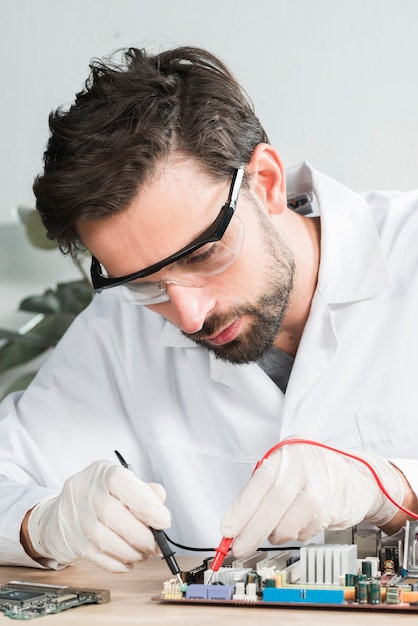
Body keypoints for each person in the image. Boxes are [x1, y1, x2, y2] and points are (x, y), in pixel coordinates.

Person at [0, 45, 417, 573]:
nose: (190, 316)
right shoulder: (119, 329)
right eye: (145, 283)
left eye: (204, 254)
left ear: (266, 182)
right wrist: (36, 524)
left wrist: (391, 488)